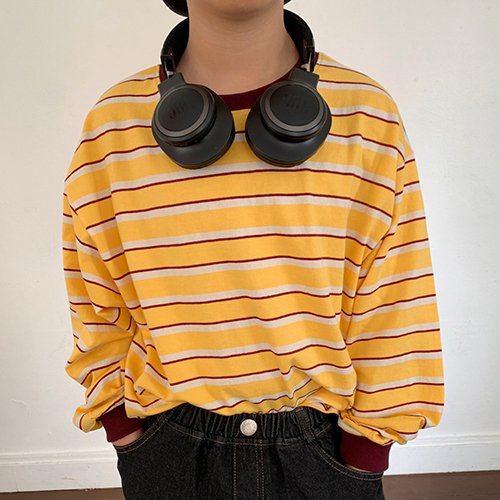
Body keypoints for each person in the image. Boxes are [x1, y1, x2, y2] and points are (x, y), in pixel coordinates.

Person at [62, 0, 445, 498]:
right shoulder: (112, 126)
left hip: (324, 453)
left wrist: (364, 452)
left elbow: (396, 305)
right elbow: (94, 301)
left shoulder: (367, 115)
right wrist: (124, 429)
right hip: (167, 448)